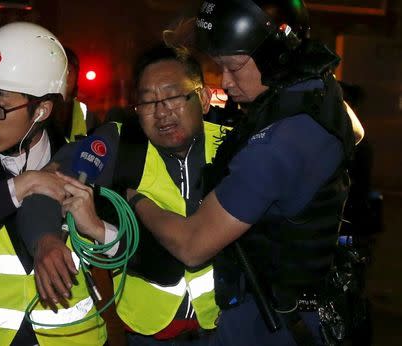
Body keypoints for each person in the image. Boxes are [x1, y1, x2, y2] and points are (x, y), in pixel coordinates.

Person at [124, 0, 363, 345]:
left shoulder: (274, 148)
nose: (225, 81)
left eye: (234, 67)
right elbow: (356, 132)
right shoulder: (320, 93)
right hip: (307, 308)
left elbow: (192, 246)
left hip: (267, 324)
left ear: (277, 56)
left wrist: (137, 200)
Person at [24, 44, 226, 345]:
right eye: (147, 102)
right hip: (147, 331)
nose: (161, 113)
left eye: (172, 97)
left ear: (204, 98)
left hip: (224, 324)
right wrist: (45, 240)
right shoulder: (120, 144)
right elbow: (45, 183)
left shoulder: (233, 148)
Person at [0, 22, 105, 345]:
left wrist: (99, 229)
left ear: (41, 110)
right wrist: (21, 186)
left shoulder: (83, 164)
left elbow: (118, 253)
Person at [52, 46, 101, 142]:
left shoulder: (88, 118)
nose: (63, 77)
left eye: (68, 71)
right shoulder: (37, 110)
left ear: (76, 76)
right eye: (59, 71)